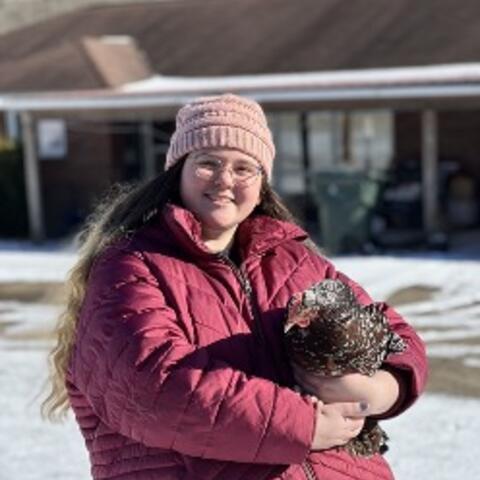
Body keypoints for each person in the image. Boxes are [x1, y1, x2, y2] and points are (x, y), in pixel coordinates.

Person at [43, 93, 428, 480]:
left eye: (244, 168)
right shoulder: (131, 265)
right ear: (177, 171)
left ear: (262, 183)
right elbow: (156, 387)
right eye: (208, 163)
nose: (225, 179)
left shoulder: (294, 261)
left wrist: (376, 391)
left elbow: (389, 330)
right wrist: (304, 425)